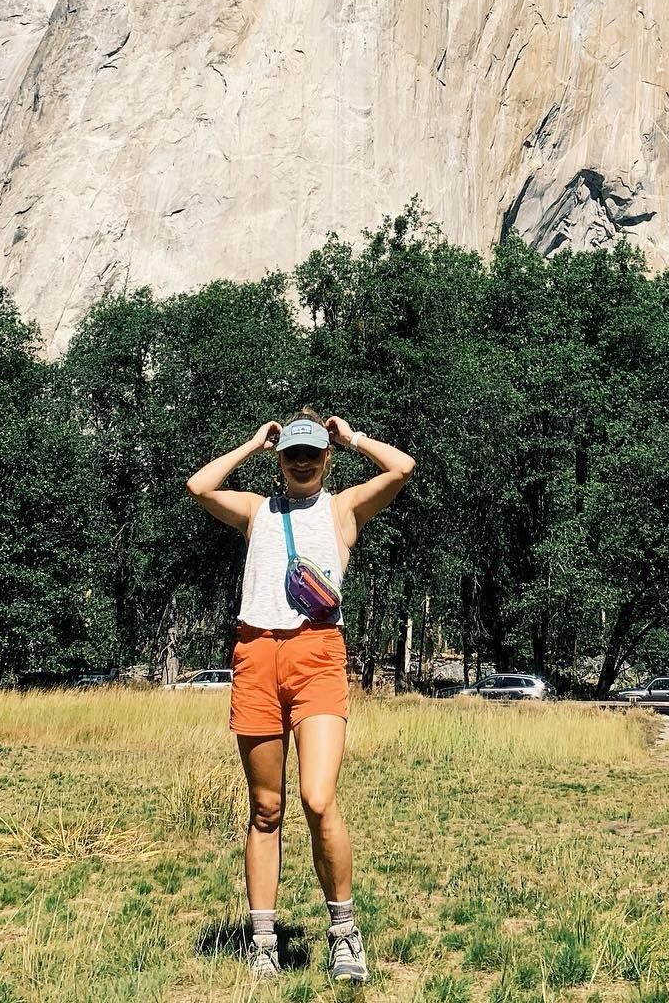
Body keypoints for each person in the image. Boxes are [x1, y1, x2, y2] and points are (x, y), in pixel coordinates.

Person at [185, 409, 414, 983]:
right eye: (293, 453)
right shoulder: (257, 511)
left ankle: (345, 934)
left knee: (316, 797)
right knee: (266, 808)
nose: (303, 462)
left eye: (312, 452)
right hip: (256, 655)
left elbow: (402, 468)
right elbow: (200, 486)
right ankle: (263, 941)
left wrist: (353, 436)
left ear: (327, 457)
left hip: (317, 656)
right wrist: (252, 443)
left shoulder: (343, 509)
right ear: (280, 459)